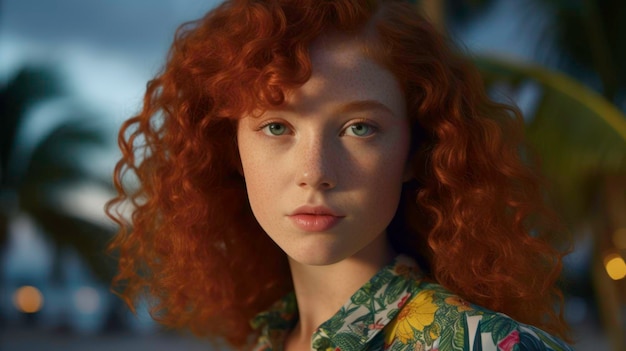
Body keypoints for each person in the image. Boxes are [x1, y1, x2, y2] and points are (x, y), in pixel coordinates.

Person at [106, 0, 575, 350]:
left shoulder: (491, 345)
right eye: (276, 126)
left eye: (359, 128)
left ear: (416, 148)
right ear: (231, 149)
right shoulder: (264, 341)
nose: (315, 172)